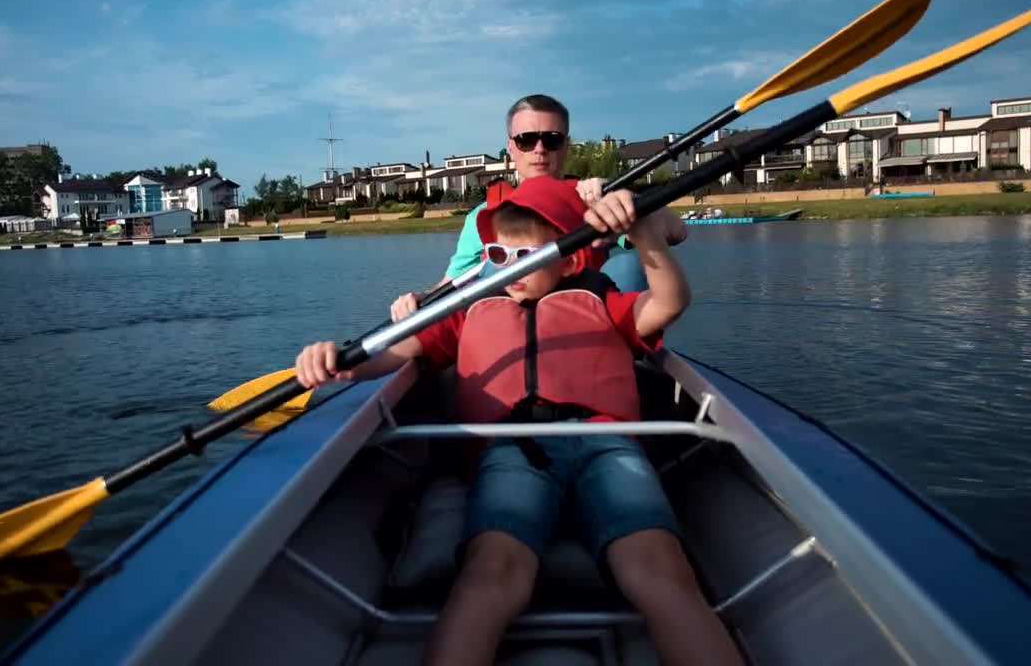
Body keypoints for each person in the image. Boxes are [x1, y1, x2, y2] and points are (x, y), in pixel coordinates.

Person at [295, 177, 742, 666]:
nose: (508, 268)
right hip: (512, 449)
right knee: (492, 572)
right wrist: (340, 359)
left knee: (659, 570)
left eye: (524, 256)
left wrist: (643, 236)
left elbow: (669, 302)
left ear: (570, 259)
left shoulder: (601, 301)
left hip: (607, 445)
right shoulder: (468, 313)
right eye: (497, 255)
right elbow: (394, 352)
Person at [389, 93, 684, 322]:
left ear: (566, 146)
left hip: (591, 325)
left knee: (627, 265)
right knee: (494, 267)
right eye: (527, 140)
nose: (540, 149)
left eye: (551, 140)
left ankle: (624, 362)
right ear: (512, 148)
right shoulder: (482, 215)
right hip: (509, 335)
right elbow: (453, 283)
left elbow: (677, 230)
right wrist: (421, 298)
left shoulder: (594, 199)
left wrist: (625, 201)